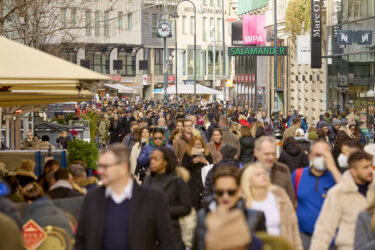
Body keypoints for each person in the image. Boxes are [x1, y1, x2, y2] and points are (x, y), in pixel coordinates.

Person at [74, 144, 176, 250]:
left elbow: (167, 242)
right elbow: (81, 240)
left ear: (123, 167)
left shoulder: (152, 198)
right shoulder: (92, 198)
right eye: (99, 166)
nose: (100, 171)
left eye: (105, 167)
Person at [310, 150, 375, 250]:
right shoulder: (338, 193)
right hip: (348, 246)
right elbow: (324, 229)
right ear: (353, 171)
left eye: (371, 166)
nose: (370, 170)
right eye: (365, 167)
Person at [194, 166, 265, 250]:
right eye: (220, 192)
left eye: (231, 192)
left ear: (239, 191)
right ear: (215, 192)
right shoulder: (203, 216)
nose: (225, 197)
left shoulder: (254, 216)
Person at [291, 141, 341, 250]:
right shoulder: (298, 175)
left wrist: (332, 167)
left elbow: (348, 195)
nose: (322, 158)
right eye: (318, 155)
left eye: (326, 155)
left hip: (330, 239)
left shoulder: (336, 177)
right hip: (303, 237)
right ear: (310, 156)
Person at [241, 163, 303, 250]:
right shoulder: (243, 202)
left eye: (264, 173)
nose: (263, 176)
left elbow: (293, 225)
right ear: (249, 181)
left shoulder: (280, 195)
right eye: (258, 175)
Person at [143, 148, 192, 250]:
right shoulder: (148, 180)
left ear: (166, 162)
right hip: (149, 233)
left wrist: (164, 211)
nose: (151, 162)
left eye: (156, 159)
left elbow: (186, 207)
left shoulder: (177, 182)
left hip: (171, 233)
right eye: (151, 159)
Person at [254, 136, 295, 202]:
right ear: (256, 153)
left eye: (273, 154)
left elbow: (290, 198)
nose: (271, 157)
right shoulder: (246, 172)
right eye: (267, 154)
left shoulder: (283, 170)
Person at [182, 136, 213, 210]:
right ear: (192, 145)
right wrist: (192, 162)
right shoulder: (188, 153)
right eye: (196, 144)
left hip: (203, 182)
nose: (198, 146)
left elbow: (211, 166)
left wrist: (206, 162)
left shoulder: (207, 153)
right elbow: (183, 167)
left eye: (200, 144)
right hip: (191, 182)